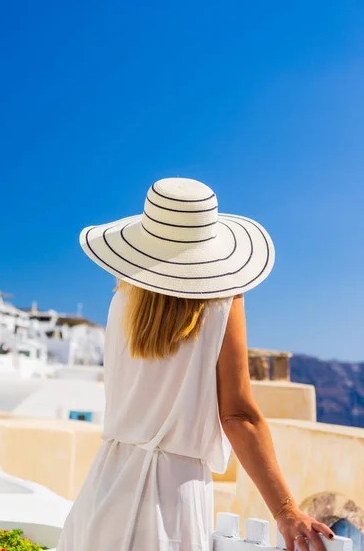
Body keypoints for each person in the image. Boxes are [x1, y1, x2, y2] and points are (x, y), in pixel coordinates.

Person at [57, 178, 334, 551]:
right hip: (173, 501)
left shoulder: (123, 298)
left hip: (104, 487)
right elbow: (237, 415)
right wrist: (286, 509)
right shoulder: (220, 303)